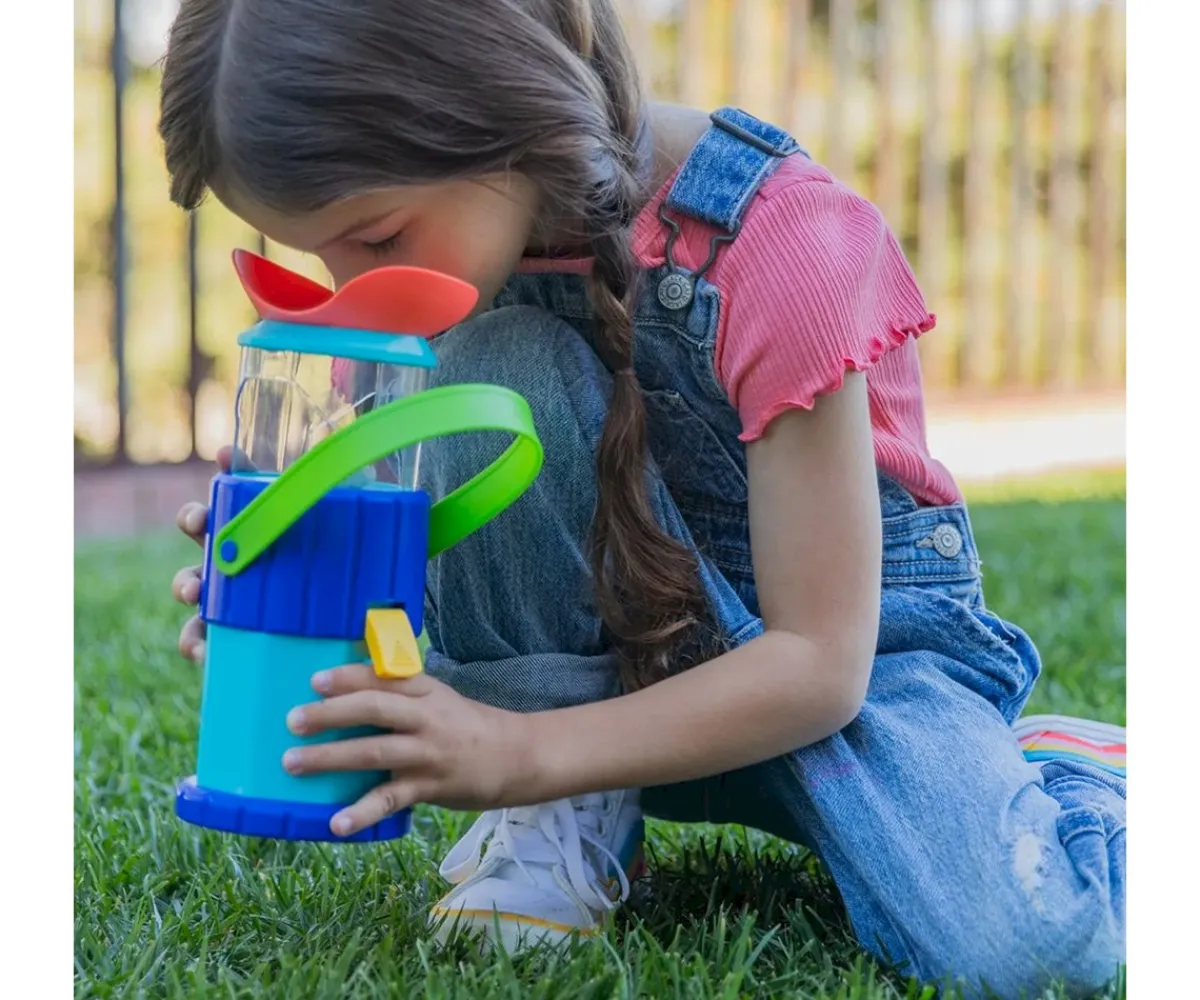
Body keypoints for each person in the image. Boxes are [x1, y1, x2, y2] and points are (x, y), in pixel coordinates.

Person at [161, 2, 1126, 996]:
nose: (349, 286)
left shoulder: (781, 241)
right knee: (493, 366)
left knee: (1034, 955)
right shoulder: (436, 288)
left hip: (842, 677)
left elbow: (820, 664)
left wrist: (520, 750)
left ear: (495, 107)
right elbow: (412, 555)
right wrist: (285, 583)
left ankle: (1071, 770)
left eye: (373, 235)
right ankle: (573, 818)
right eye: (313, 253)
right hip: (596, 710)